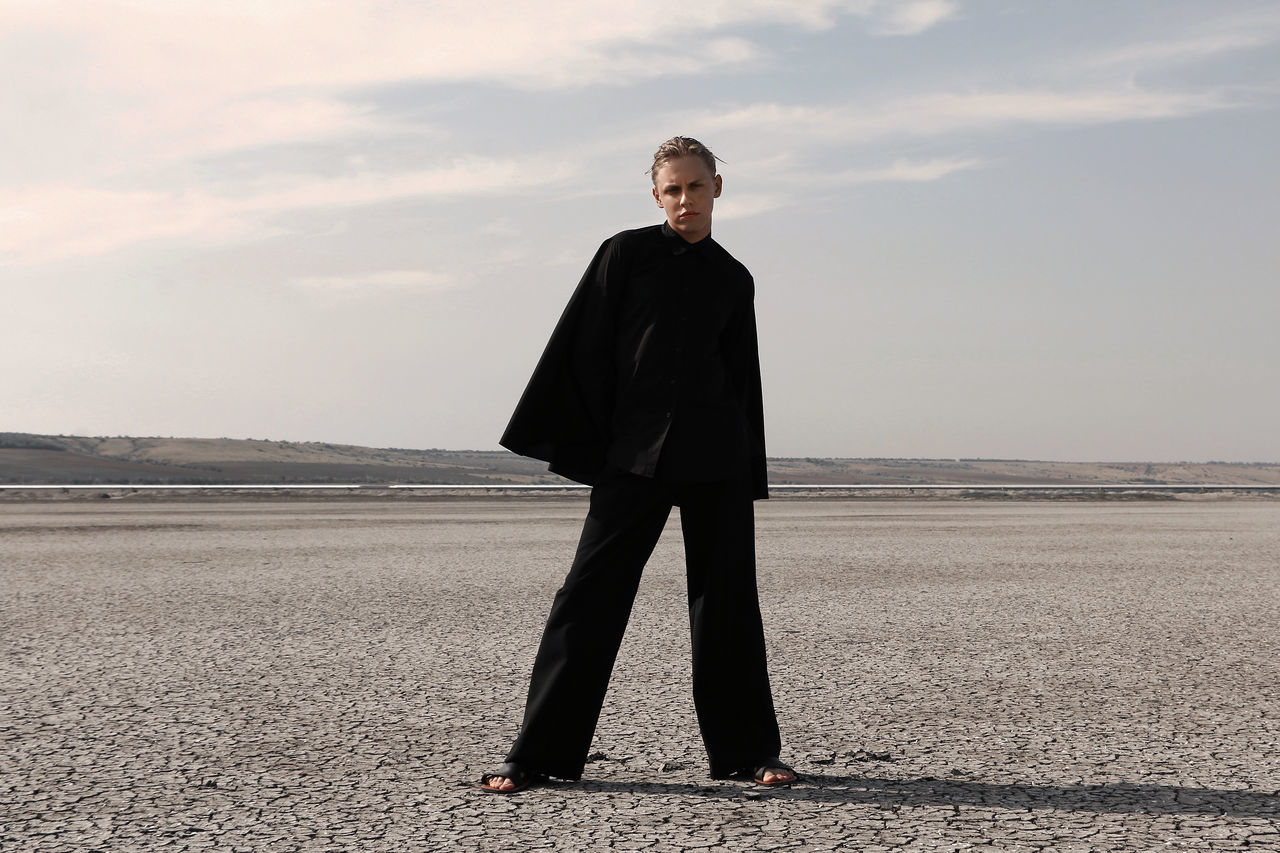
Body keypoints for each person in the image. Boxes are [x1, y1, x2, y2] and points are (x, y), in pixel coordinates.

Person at [481, 137, 796, 793]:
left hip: (717, 458)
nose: (686, 199)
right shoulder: (624, 254)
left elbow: (743, 380)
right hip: (633, 458)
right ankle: (536, 755)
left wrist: (750, 471)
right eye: (673, 189)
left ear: (717, 189)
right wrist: (594, 449)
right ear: (657, 195)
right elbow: (584, 352)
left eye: (696, 186)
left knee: (728, 605)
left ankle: (747, 751)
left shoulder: (735, 278)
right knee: (587, 599)